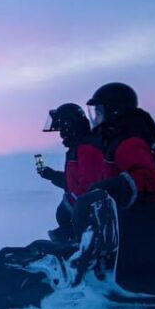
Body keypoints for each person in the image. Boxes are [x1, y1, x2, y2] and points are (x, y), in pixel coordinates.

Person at [83, 82, 155, 296]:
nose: (96, 117)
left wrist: (112, 186)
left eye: (99, 111)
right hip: (140, 217)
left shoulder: (128, 142)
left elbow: (149, 178)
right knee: (136, 276)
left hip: (143, 220)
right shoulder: (124, 137)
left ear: (114, 110)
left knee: (144, 280)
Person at [38, 103, 106, 241]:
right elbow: (74, 183)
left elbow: (90, 187)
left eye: (62, 129)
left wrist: (67, 207)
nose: (62, 135)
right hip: (82, 222)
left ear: (70, 126)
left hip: (92, 225)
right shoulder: (78, 148)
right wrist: (52, 175)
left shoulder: (87, 149)